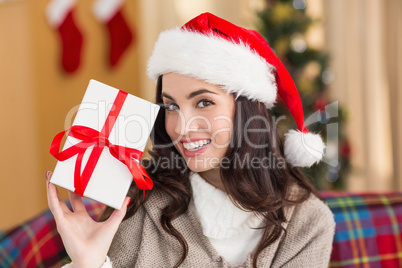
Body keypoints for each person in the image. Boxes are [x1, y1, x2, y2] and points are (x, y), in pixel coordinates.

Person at [46, 12, 335, 268]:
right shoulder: (139, 200)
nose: (181, 128)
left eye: (204, 102)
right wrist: (88, 262)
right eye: (171, 106)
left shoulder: (307, 223)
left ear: (249, 109)